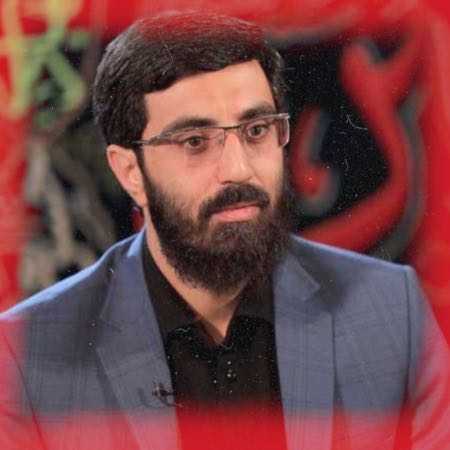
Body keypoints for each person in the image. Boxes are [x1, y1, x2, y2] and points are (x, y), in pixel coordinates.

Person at [0, 11, 449, 450]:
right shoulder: (26, 356)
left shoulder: (390, 312)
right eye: (195, 141)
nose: (238, 170)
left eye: (256, 131)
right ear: (130, 172)